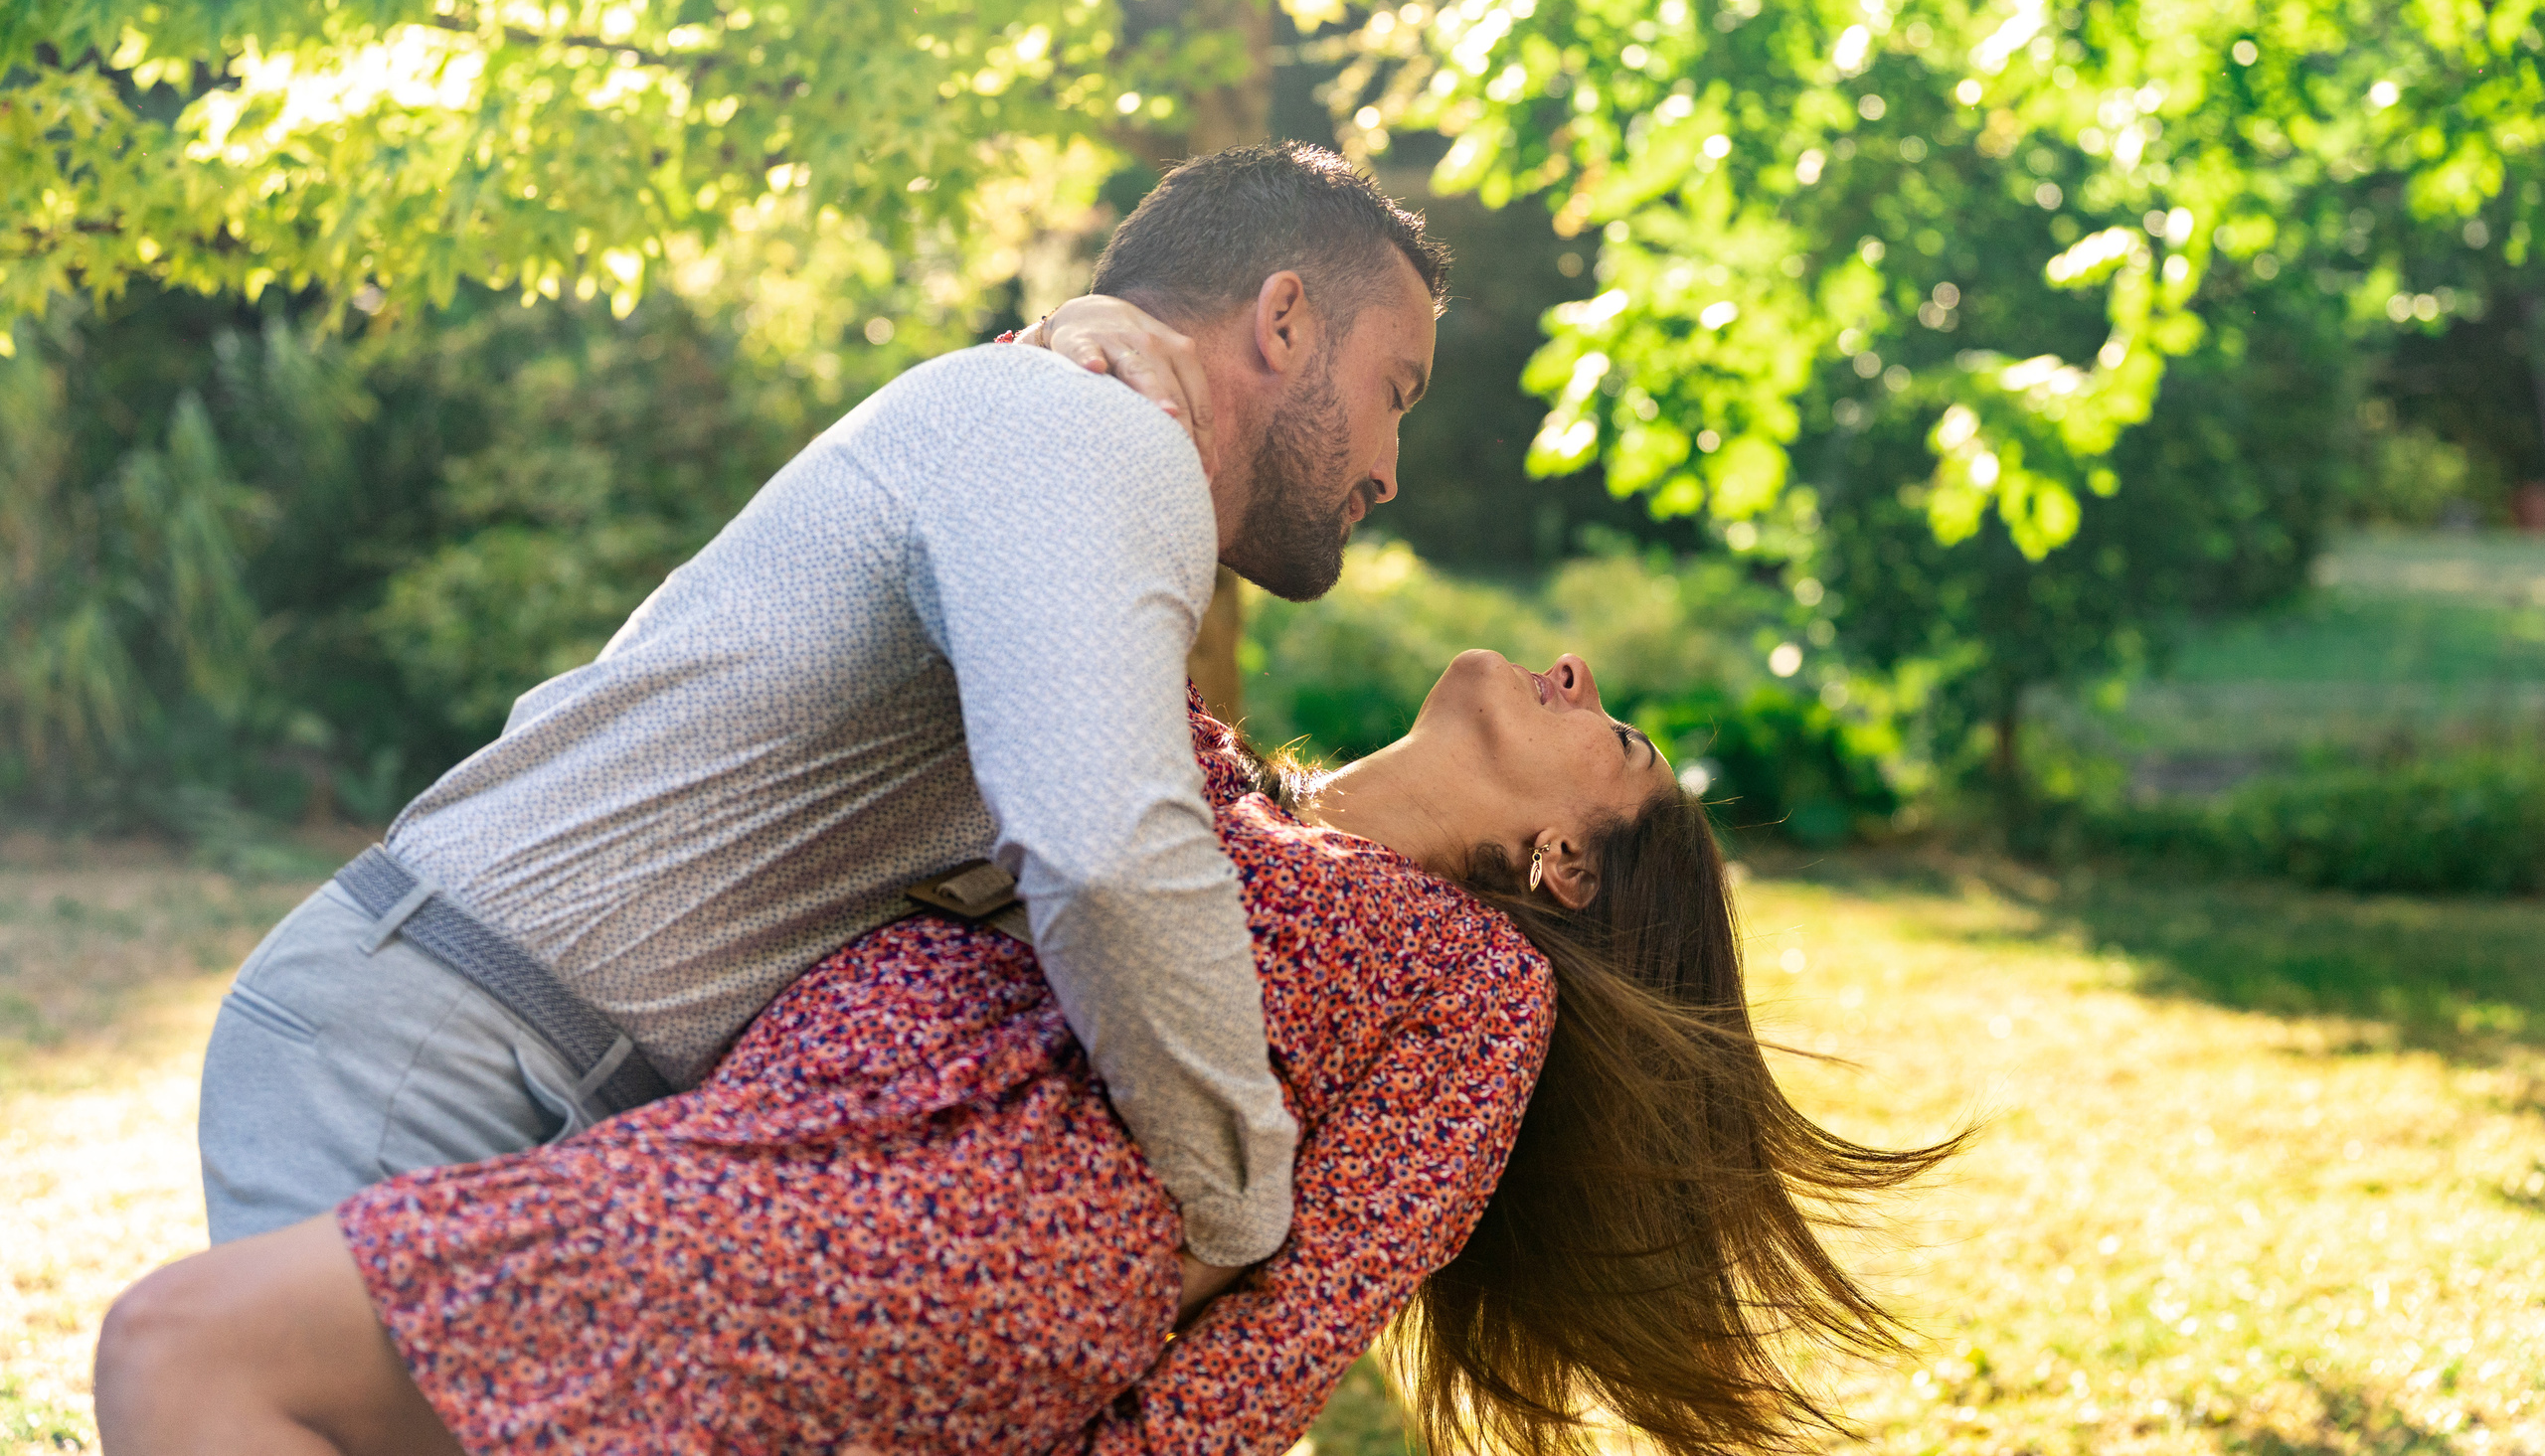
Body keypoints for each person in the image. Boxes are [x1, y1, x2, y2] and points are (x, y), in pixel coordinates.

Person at [98, 650, 1956, 1456]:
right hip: (796, 1167)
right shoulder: (1214, 795)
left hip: (911, 1235)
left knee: (187, 1346)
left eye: (1611, 738)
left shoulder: (1482, 988)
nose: (1577, 679)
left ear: (1567, 865)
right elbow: (1064, 596)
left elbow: (1298, 1319)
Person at [191, 141, 1449, 1307]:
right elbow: (1109, 850)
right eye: (1395, 391)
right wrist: (1245, 1207)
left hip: (508, 1059)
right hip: (438, 1050)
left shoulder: (1055, 421)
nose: (1393, 470)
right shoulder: (1087, 429)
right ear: (1283, 319)